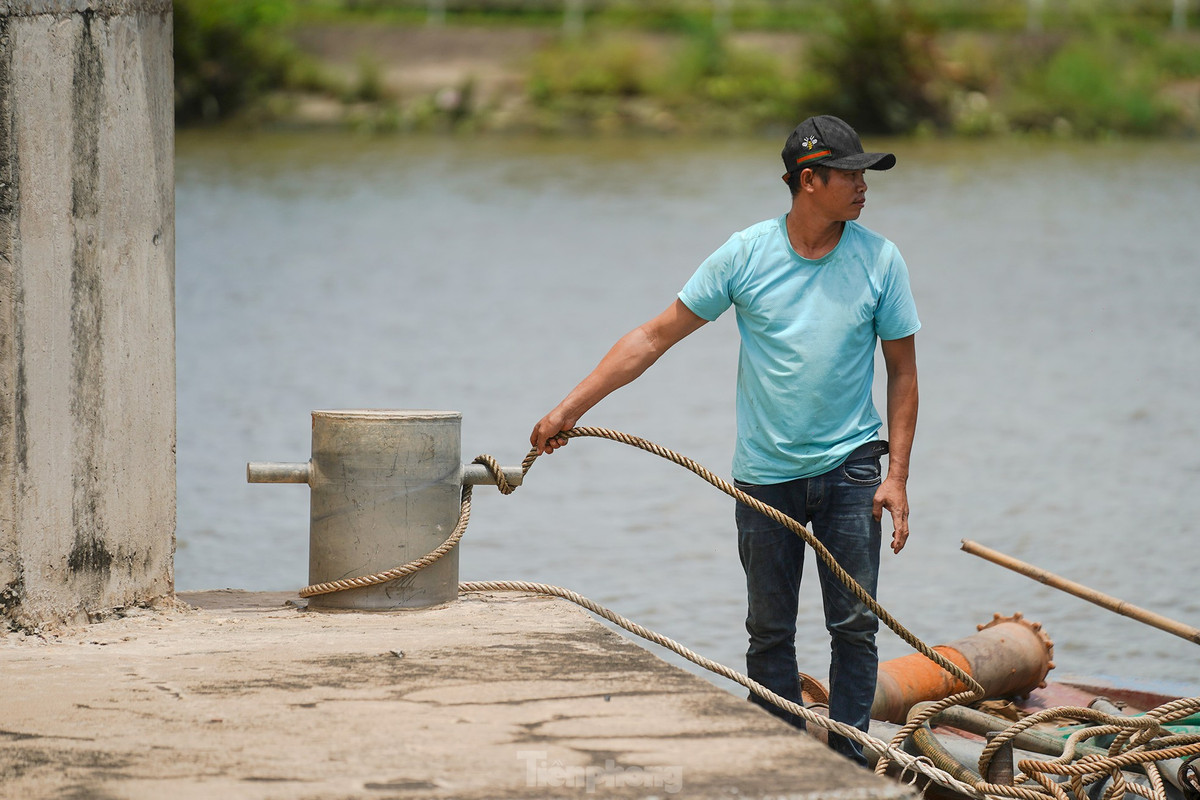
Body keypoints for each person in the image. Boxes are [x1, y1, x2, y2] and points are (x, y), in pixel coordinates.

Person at [529, 115, 920, 766]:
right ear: (808, 180)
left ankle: (852, 764)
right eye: (849, 175)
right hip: (765, 474)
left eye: (864, 175)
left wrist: (898, 475)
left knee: (854, 627)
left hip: (854, 470)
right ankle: (775, 758)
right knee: (768, 633)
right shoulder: (746, 254)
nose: (862, 187)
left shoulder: (880, 259)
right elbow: (655, 335)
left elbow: (903, 370)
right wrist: (568, 408)